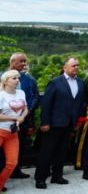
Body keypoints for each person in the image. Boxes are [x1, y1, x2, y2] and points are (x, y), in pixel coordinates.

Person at [34, 57, 85, 189]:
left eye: (77, 66)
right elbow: (46, 103)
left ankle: (57, 176)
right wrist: (45, 122)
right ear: (65, 67)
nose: (76, 68)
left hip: (69, 123)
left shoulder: (80, 82)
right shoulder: (55, 82)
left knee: (62, 151)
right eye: (74, 65)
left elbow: (79, 103)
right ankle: (40, 178)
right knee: (47, 151)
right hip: (53, 123)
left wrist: (78, 120)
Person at [8, 52, 38, 180]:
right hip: (5, 120)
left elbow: (34, 98)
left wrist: (26, 112)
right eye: (21, 61)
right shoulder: (2, 77)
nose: (24, 64)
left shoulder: (30, 80)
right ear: (13, 63)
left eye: (25, 61)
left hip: (23, 119)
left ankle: (16, 171)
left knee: (19, 146)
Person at [0, 70, 28, 192]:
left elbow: (25, 108)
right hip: (1, 130)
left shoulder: (21, 93)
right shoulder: (1, 95)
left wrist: (22, 117)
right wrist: (15, 117)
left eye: (18, 78)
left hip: (13, 133)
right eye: (14, 78)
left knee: (12, 163)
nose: (18, 80)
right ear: (6, 81)